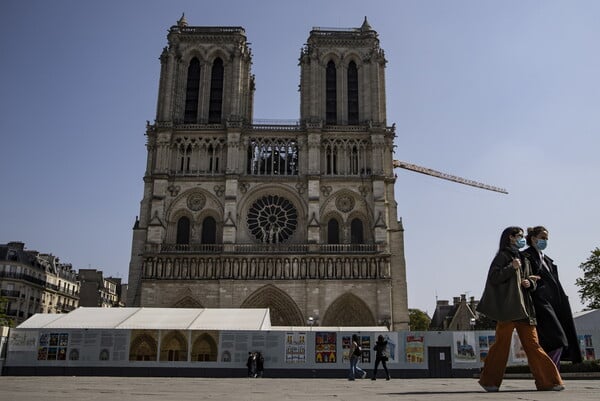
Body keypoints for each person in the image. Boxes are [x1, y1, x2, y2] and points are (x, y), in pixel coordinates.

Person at [476, 226, 564, 392]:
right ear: (510, 237)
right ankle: (490, 382)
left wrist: (530, 283)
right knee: (501, 345)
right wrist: (511, 267)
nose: (523, 239)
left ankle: (550, 382)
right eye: (520, 236)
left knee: (533, 345)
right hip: (509, 310)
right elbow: (494, 277)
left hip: (525, 309)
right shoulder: (503, 256)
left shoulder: (524, 258)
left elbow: (532, 279)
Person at [523, 226, 582, 368]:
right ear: (533, 238)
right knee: (556, 339)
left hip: (556, 304)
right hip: (540, 304)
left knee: (561, 340)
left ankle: (551, 374)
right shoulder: (525, 256)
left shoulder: (547, 261)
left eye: (546, 238)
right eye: (542, 238)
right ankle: (550, 373)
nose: (545, 241)